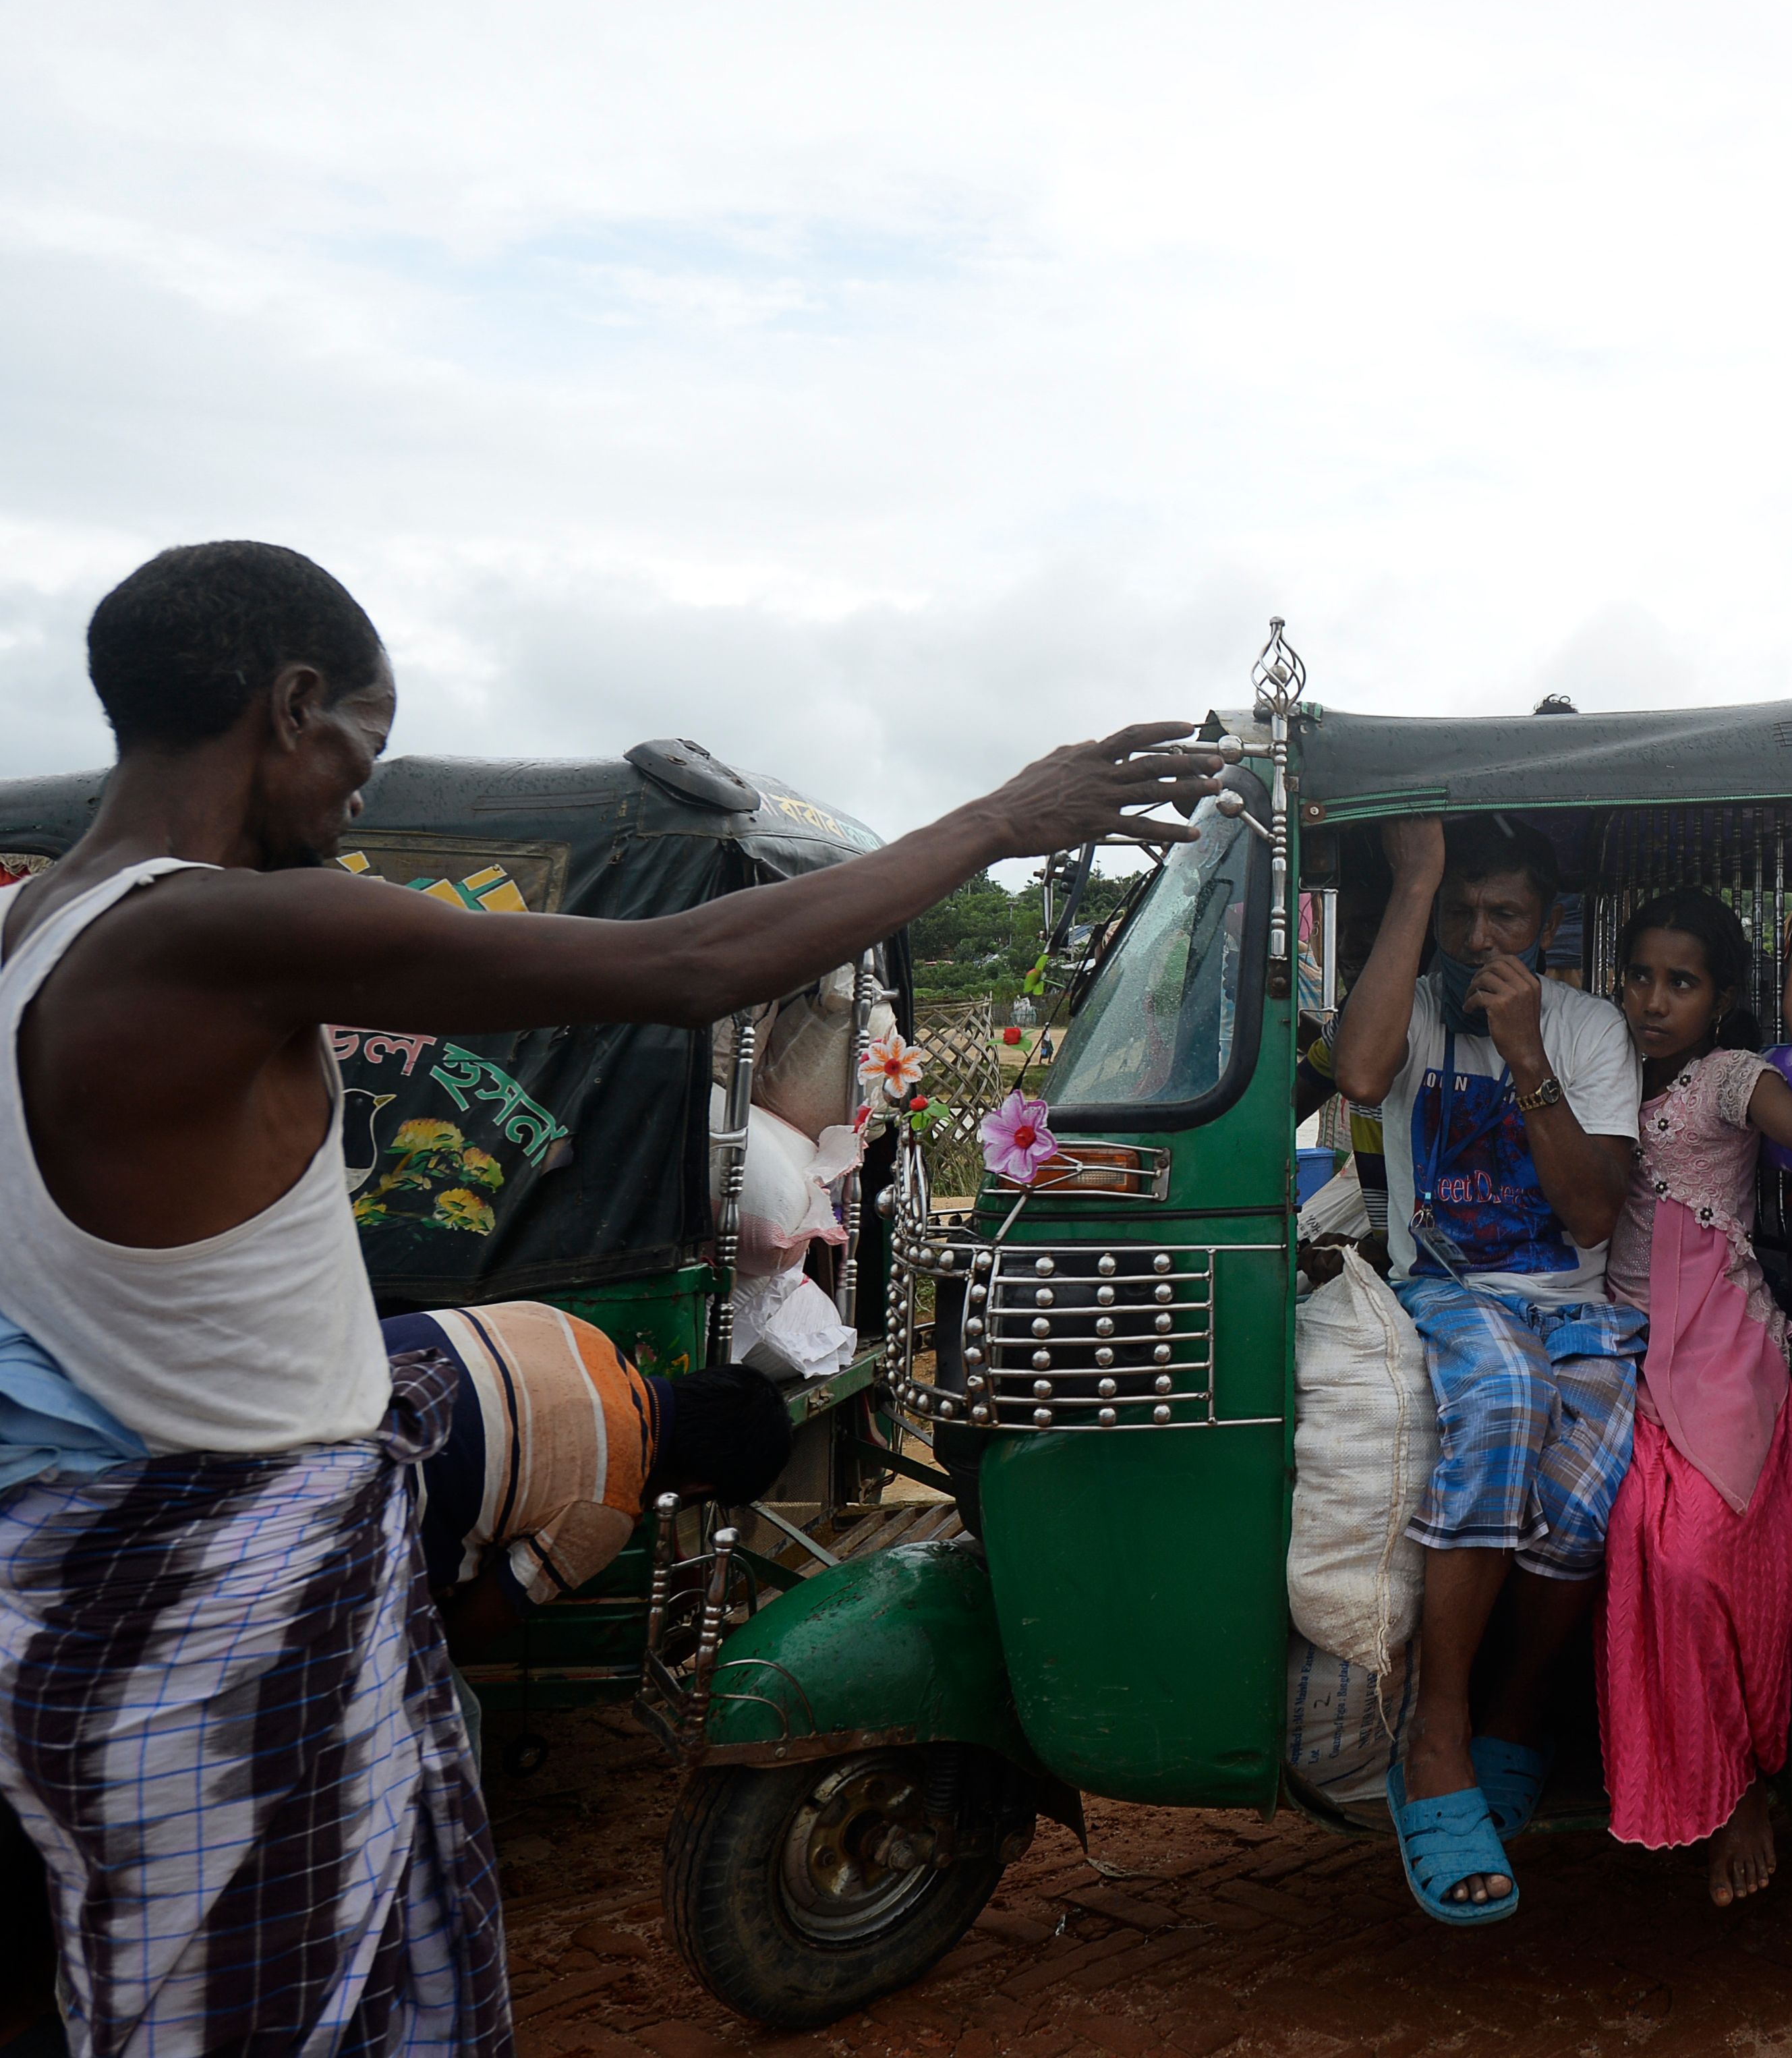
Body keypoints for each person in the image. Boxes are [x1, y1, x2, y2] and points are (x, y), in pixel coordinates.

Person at [0, 540, 1213, 2055]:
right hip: (222, 1589)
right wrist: (1003, 818)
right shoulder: (210, 927)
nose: (358, 794)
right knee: (255, 2005)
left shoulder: (44, 913)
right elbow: (692, 961)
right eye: (361, 747)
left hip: (130, 1555)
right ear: (291, 704)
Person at [1329, 814, 1645, 1925]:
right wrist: (1416, 880)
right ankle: (1438, 1733)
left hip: (1574, 1306)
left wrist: (1525, 1054)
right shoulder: (1412, 1009)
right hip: (1453, 1293)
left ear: (1547, 924)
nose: (1479, 934)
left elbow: (1594, 1211)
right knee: (1506, 1403)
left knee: (1587, 1488)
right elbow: (1359, 1075)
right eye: (1463, 912)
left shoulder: (1589, 1026)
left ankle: (1516, 1716)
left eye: (1502, 913)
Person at [1598, 892, 1792, 1907]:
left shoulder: (1727, 1079)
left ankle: (1743, 1780)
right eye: (1640, 977)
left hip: (1719, 1350)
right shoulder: (1592, 1063)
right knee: (1616, 1547)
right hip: (1612, 1344)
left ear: (1718, 999)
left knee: (1692, 1561)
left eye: (1681, 983)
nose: (1654, 1001)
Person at [380, 1306, 793, 1647]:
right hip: (328, 1528)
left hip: (332, 1388)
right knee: (458, 1718)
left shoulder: (580, 1333)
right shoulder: (606, 1506)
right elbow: (470, 1629)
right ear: (697, 1488)